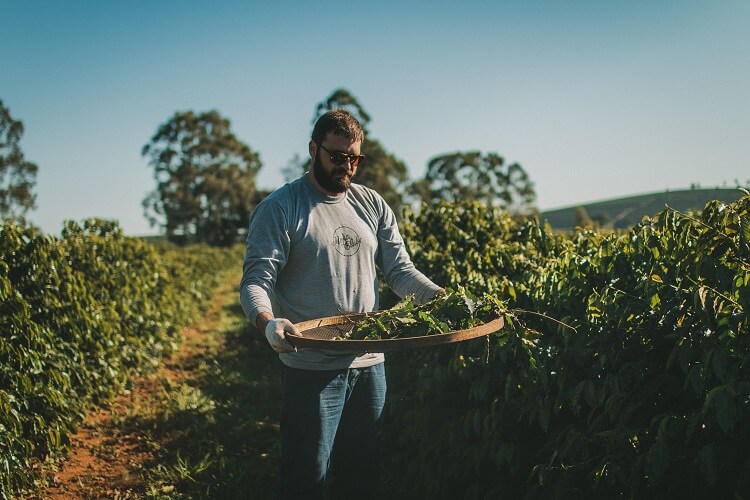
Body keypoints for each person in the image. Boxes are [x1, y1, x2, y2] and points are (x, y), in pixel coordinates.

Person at [240, 108, 443, 500]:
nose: (346, 166)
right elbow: (256, 282)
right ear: (314, 149)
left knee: (362, 476)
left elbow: (400, 272)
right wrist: (269, 323)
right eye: (336, 156)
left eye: (354, 158)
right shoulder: (282, 208)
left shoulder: (371, 204)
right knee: (306, 479)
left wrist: (439, 298)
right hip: (312, 367)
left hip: (370, 366)